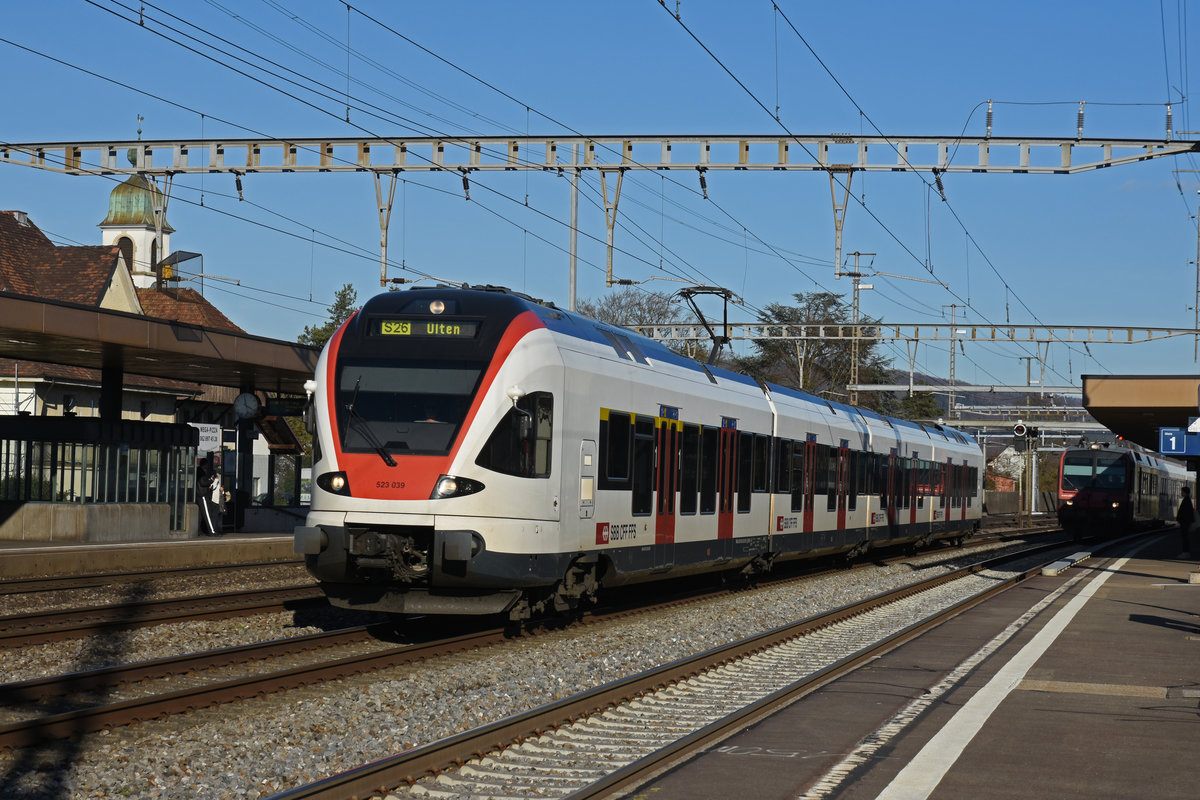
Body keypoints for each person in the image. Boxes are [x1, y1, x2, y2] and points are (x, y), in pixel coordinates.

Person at [1177, 487, 1195, 557]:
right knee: (1185, 537)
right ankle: (1185, 552)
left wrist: (1181, 519)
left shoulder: (1186, 500)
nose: (1181, 493)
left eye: (1182, 491)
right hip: (1185, 522)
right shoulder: (1187, 500)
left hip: (1185, 522)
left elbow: (1185, 512)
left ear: (1185, 492)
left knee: (1185, 537)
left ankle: (1185, 552)